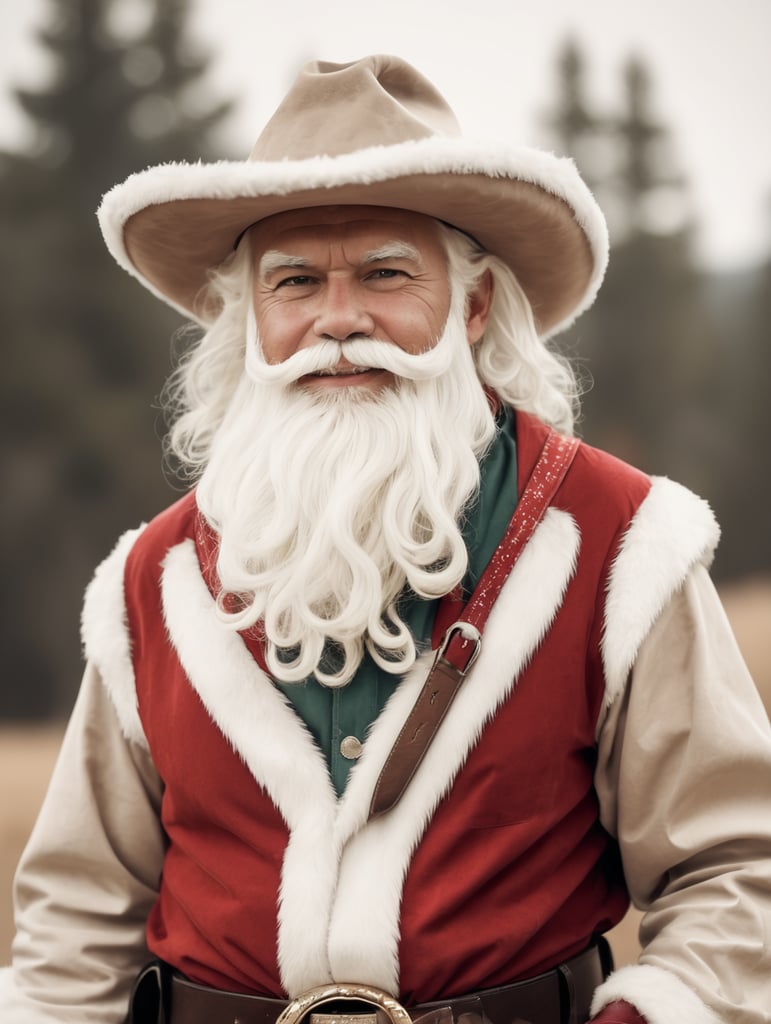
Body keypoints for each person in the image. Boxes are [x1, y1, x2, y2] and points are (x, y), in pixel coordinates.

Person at [2, 53, 770, 1024]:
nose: (337, 321)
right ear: (250, 322)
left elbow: (739, 870)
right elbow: (76, 921)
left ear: (474, 304)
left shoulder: (624, 543)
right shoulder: (152, 583)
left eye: (386, 274)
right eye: (293, 283)